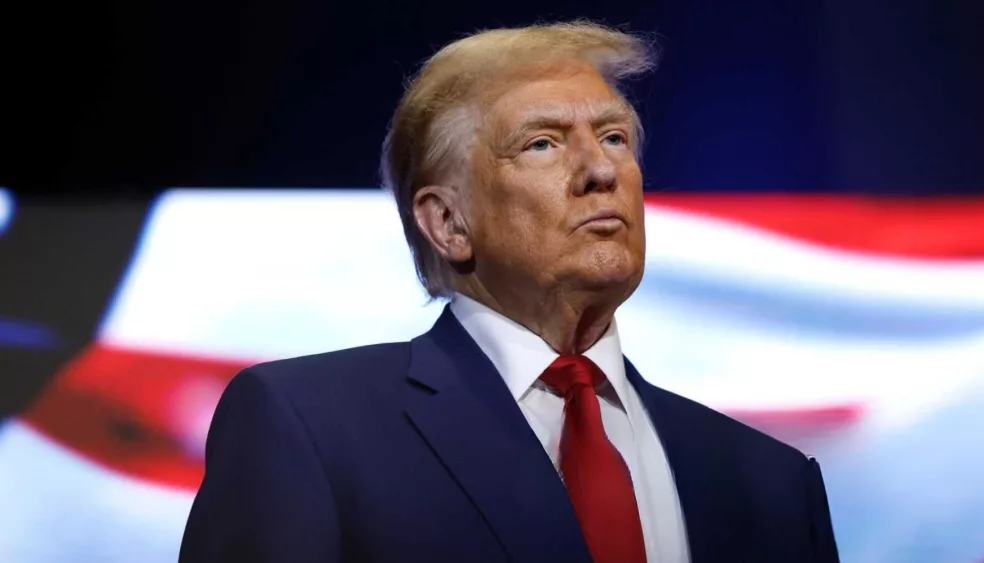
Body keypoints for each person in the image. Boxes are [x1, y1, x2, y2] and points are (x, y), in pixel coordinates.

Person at [179, 21, 840, 563]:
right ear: (447, 222)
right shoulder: (310, 429)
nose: (600, 170)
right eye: (543, 143)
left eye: (613, 137)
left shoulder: (771, 483)